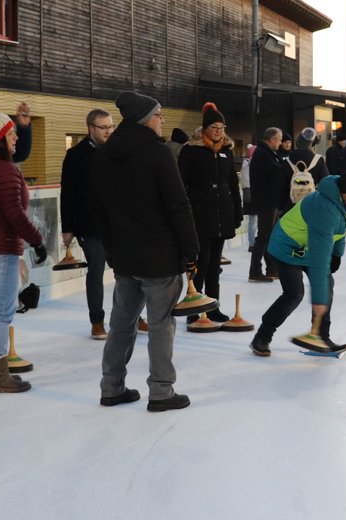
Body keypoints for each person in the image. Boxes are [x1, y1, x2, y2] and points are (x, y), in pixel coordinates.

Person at [91, 91, 199, 411]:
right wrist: (191, 250)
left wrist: (111, 250)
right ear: (147, 119)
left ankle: (111, 387)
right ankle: (162, 391)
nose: (162, 120)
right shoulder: (158, 153)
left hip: (125, 256)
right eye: (160, 114)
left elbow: (98, 209)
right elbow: (178, 205)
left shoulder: (104, 155)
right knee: (161, 324)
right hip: (160, 257)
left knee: (122, 324)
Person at [249, 171, 346, 357]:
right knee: (294, 294)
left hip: (308, 247)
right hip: (286, 246)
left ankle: (320, 336)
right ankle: (262, 336)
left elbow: (341, 227)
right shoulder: (324, 208)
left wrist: (337, 253)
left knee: (327, 285)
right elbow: (319, 262)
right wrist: (319, 302)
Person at [60, 109, 149, 339]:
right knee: (97, 270)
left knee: (128, 272)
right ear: (91, 128)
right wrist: (67, 227)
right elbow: (67, 193)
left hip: (119, 223)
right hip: (90, 225)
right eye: (104, 127)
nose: (109, 131)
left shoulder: (118, 151)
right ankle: (97, 321)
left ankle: (134, 317)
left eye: (111, 126)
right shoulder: (75, 155)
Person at [0, 110, 47, 393]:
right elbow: (13, 213)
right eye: (11, 132)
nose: (16, 137)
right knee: (2, 313)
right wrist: (37, 241)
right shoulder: (1, 169)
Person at [178, 102, 242, 324]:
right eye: (214, 126)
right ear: (204, 128)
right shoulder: (191, 150)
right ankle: (195, 307)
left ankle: (213, 306)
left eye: (222, 127)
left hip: (221, 216)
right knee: (201, 263)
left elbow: (233, 184)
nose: (219, 131)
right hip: (199, 215)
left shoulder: (226, 151)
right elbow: (180, 184)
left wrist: (237, 212)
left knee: (215, 265)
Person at [248, 127, 284, 282]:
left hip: (270, 201)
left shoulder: (268, 153)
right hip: (266, 202)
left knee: (269, 236)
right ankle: (255, 270)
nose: (281, 142)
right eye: (280, 139)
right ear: (272, 139)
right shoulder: (263, 154)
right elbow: (278, 171)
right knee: (264, 237)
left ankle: (271, 268)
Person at [279, 127, 329, 213]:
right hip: (312, 202)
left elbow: (281, 185)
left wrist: (281, 206)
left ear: (297, 143)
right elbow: (325, 182)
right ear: (311, 144)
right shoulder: (318, 160)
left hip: (291, 204)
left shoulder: (287, 160)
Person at [241, 144, 258, 252]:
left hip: (251, 193)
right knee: (254, 220)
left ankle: (253, 243)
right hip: (253, 193)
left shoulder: (245, 164)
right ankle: (252, 243)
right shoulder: (248, 164)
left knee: (254, 220)